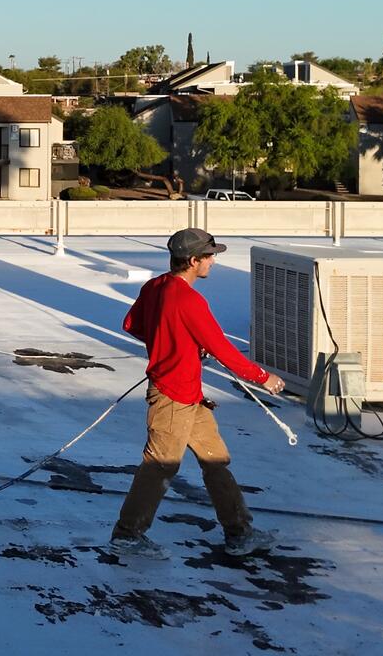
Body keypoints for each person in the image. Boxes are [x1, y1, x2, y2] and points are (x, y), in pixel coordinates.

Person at [109, 228, 285, 559]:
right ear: (193, 261)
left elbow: (132, 325)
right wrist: (262, 377)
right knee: (160, 465)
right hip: (171, 396)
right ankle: (127, 535)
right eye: (210, 256)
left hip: (191, 395)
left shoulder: (155, 286)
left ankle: (239, 532)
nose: (213, 262)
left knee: (215, 460)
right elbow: (223, 349)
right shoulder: (190, 300)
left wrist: (175, 342)